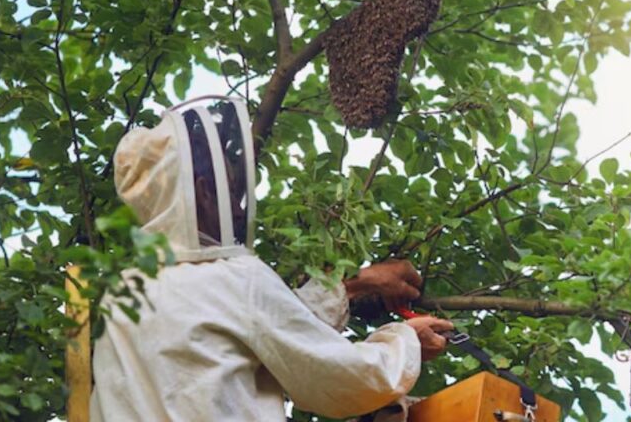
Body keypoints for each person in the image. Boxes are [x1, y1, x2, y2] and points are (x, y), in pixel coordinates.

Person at [91, 96, 452, 421]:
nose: (237, 205)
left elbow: (268, 331)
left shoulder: (122, 297)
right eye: (231, 191)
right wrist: (405, 341)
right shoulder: (233, 278)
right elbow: (341, 376)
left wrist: (357, 284)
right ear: (202, 192)